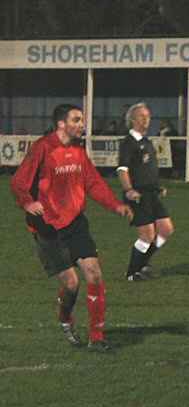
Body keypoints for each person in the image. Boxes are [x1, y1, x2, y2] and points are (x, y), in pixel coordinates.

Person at [10, 103, 133, 353]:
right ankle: (66, 318)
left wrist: (116, 206)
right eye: (76, 120)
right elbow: (18, 183)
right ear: (61, 124)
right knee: (72, 284)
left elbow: (93, 183)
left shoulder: (78, 151)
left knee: (95, 273)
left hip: (75, 222)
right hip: (48, 227)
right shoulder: (43, 149)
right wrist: (28, 203)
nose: (81, 124)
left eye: (82, 120)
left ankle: (97, 338)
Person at [117, 103, 175, 282]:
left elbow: (146, 170)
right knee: (147, 235)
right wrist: (129, 190)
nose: (146, 119)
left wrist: (157, 187)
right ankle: (132, 273)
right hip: (138, 196)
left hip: (151, 195)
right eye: (142, 116)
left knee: (166, 230)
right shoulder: (129, 143)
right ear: (132, 120)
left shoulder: (146, 142)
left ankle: (143, 263)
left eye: (148, 115)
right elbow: (122, 169)